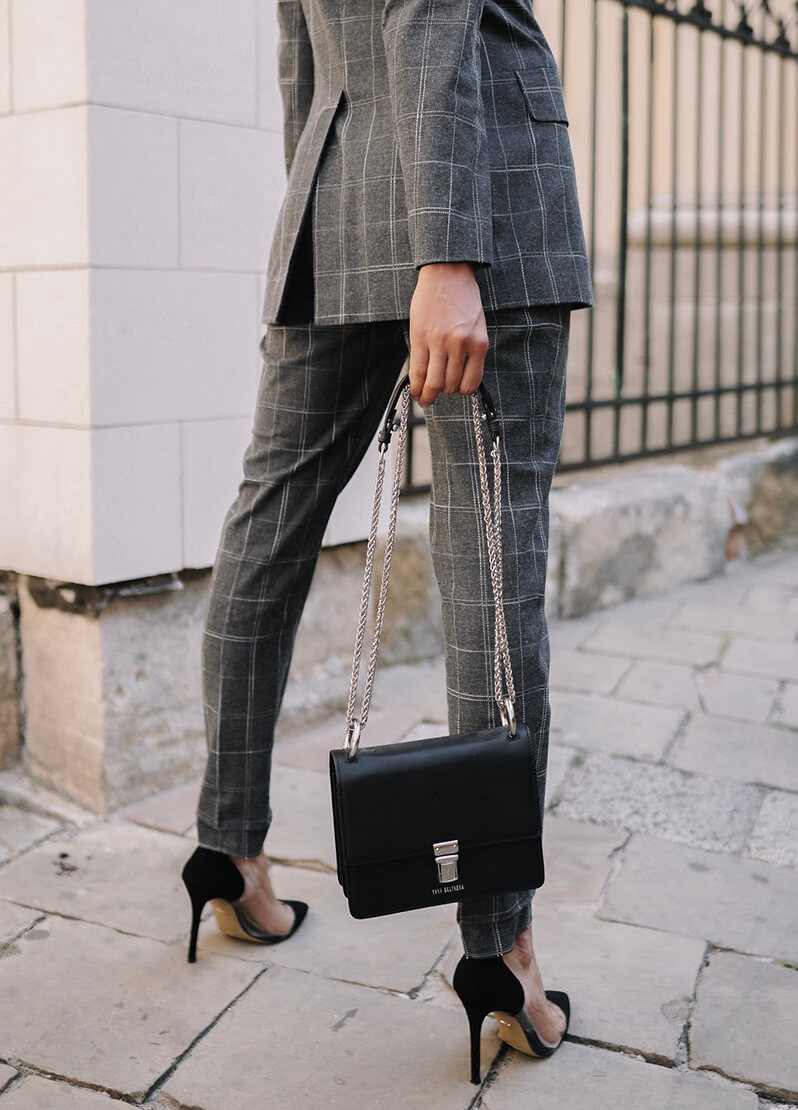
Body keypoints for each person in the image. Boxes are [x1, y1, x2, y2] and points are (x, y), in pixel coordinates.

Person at [181, 0, 593, 1083]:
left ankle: (228, 850)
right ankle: (501, 950)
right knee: (492, 573)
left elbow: (299, 54)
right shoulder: (460, 239)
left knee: (267, 527)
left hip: (335, 200)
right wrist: (445, 251)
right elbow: (429, 18)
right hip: (481, 210)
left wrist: (323, 211)